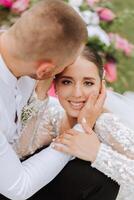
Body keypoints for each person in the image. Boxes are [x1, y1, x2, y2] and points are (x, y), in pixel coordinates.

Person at [0, 0, 91, 199]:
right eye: (62, 69)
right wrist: (79, 131)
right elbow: (18, 188)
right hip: (10, 184)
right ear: (45, 71)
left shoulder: (14, 52)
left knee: (93, 178)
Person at [16, 46, 120, 200]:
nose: (77, 93)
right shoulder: (52, 114)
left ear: (101, 86)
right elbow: (18, 156)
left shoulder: (108, 126)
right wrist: (40, 94)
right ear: (55, 85)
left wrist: (100, 154)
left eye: (88, 83)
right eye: (66, 82)